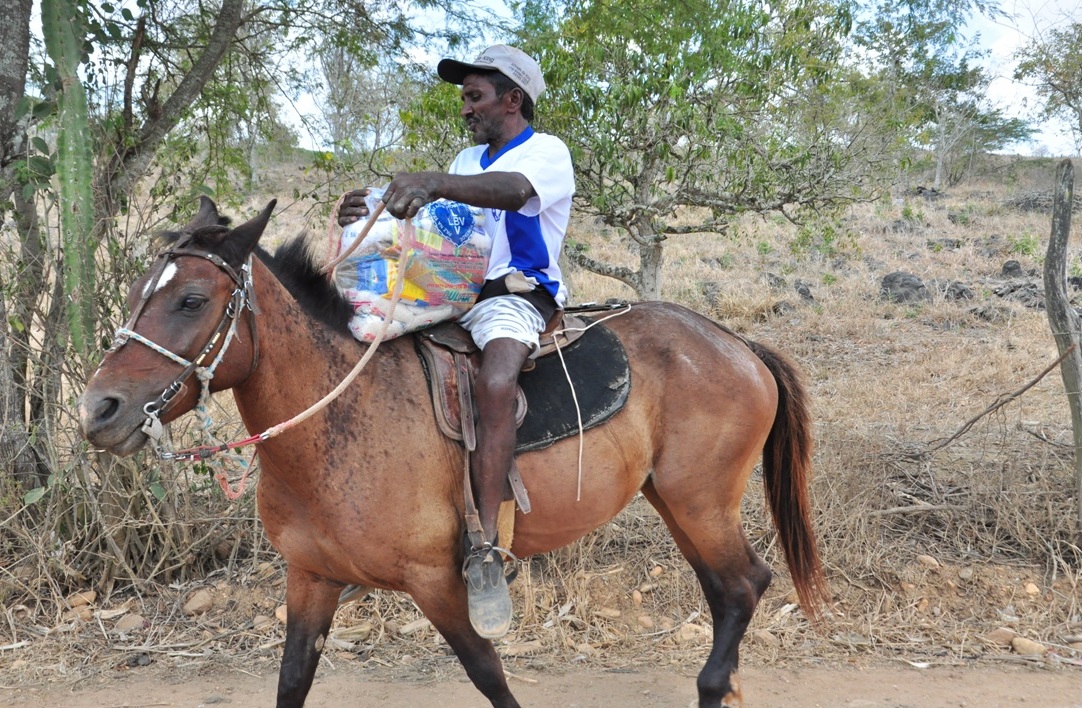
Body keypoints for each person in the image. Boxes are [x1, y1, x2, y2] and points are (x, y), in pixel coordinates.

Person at [337, 44, 575, 639]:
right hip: (451, 293)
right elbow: (443, 227)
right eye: (464, 98)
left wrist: (436, 182)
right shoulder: (467, 155)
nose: (466, 109)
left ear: (512, 100)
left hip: (515, 296)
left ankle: (486, 549)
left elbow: (507, 192)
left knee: (496, 381)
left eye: (476, 96)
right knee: (369, 357)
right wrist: (367, 210)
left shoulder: (546, 153)